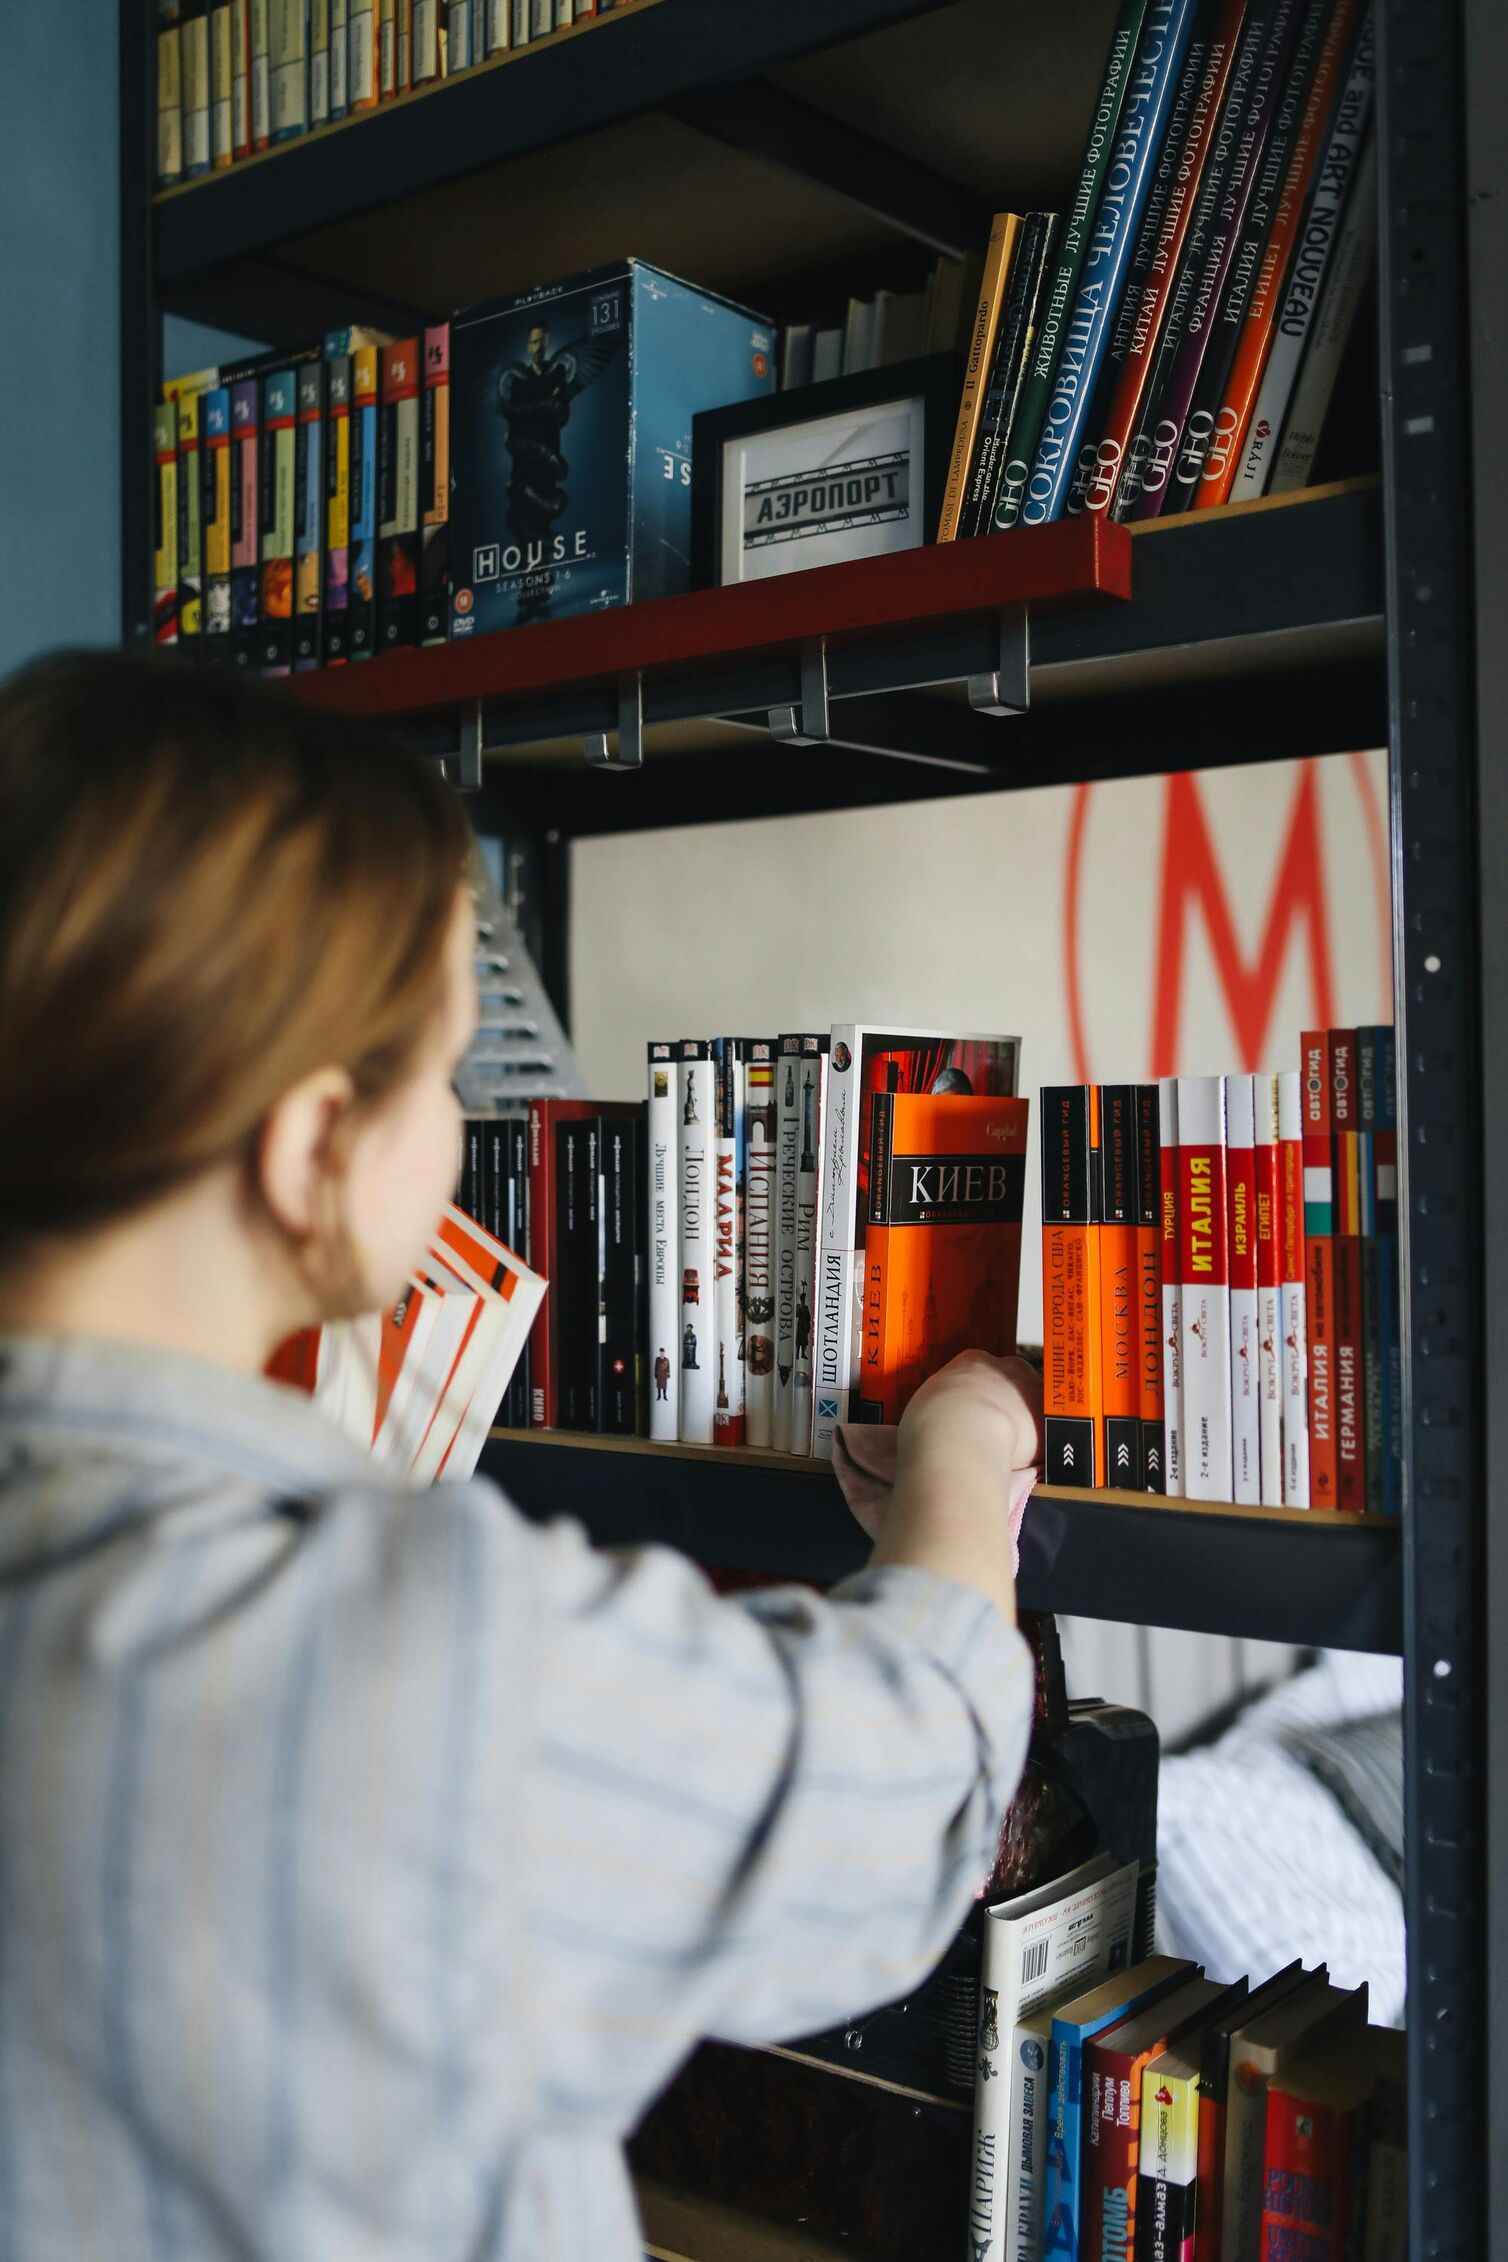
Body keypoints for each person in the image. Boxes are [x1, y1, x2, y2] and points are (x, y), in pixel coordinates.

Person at [0, 651, 1041, 2261]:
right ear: (311, 1149)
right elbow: (898, 1798)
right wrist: (967, 1461)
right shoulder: (389, 1640)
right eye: (440, 1071)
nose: (468, 1120)